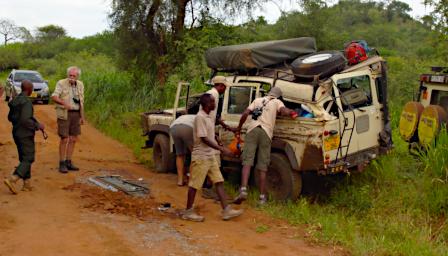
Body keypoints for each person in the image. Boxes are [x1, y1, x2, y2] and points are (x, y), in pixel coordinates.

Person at [182, 93, 243, 222]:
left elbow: (209, 135)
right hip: (201, 157)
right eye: (213, 102)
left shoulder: (209, 117)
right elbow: (203, 138)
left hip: (209, 155)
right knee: (194, 185)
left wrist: (218, 141)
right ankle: (188, 211)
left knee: (219, 181)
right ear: (207, 104)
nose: (215, 104)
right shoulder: (200, 118)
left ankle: (226, 210)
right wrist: (222, 149)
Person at [234, 87, 297, 205]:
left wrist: (238, 128)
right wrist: (292, 112)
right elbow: (283, 111)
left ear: (269, 93)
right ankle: (262, 197)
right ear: (278, 96)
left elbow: (245, 113)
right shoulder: (277, 102)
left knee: (247, 162)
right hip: (266, 133)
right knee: (263, 166)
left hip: (252, 130)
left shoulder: (257, 100)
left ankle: (243, 190)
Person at [4, 80, 45, 194]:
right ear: (29, 89)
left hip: (16, 132)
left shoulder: (16, 100)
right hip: (25, 134)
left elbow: (10, 118)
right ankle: (12, 179)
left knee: (24, 158)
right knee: (29, 158)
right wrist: (37, 125)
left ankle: (27, 184)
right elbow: (25, 119)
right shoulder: (26, 102)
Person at [51, 66, 85, 173]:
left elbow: (81, 102)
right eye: (70, 75)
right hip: (64, 114)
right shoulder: (61, 83)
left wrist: (82, 117)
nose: (71, 77)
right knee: (64, 139)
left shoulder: (80, 84)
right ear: (67, 75)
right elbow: (54, 96)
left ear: (77, 76)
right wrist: (63, 102)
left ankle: (69, 162)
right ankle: (62, 163)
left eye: (74, 76)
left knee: (73, 139)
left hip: (76, 114)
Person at [169, 114, 195, 186]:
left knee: (180, 154)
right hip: (187, 128)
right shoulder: (201, 117)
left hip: (174, 127)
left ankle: (180, 181)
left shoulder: (187, 116)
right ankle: (190, 181)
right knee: (195, 154)